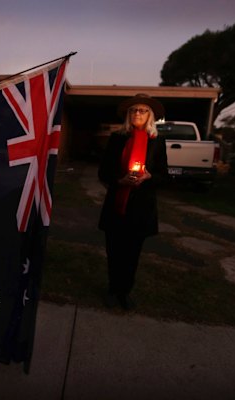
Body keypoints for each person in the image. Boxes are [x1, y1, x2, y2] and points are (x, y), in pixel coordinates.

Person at [98, 93, 168, 311]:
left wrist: (148, 177)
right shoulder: (117, 138)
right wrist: (120, 180)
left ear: (150, 116)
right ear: (128, 115)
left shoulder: (157, 142)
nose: (138, 113)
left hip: (141, 207)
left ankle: (125, 291)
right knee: (114, 250)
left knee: (132, 253)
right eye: (134, 110)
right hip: (117, 203)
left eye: (143, 110)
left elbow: (163, 175)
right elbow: (103, 172)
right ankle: (112, 289)